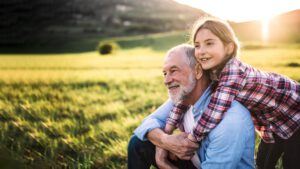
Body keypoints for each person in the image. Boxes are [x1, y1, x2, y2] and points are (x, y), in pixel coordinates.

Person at [165, 17, 300, 169]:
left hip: (295, 113)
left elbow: (215, 111)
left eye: (209, 43)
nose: (201, 51)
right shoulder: (211, 68)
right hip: (272, 122)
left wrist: (190, 140)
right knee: (263, 162)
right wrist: (168, 128)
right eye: (197, 45)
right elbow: (185, 97)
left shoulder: (233, 72)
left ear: (229, 48)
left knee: (293, 162)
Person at [128, 44, 255, 169]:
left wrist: (166, 165)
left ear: (198, 71)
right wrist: (165, 141)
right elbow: (145, 125)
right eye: (165, 73)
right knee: (138, 143)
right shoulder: (183, 97)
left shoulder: (230, 119)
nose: (166, 80)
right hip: (197, 163)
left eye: (173, 71)